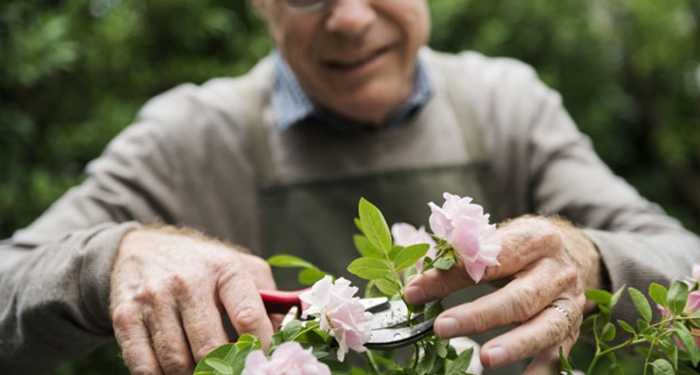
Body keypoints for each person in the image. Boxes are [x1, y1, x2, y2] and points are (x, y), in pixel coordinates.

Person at [1, 0, 699, 374]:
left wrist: (591, 259)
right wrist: (108, 261)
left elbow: (685, 260)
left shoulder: (506, 107)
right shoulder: (187, 139)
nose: (351, 16)